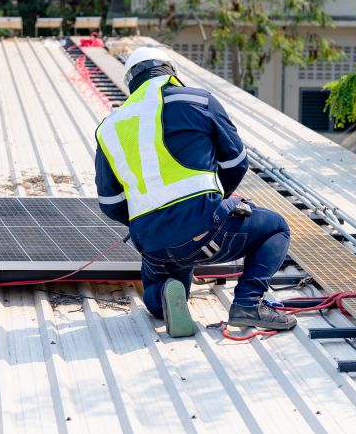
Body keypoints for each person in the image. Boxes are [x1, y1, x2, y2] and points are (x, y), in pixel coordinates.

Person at [94, 46, 296, 337]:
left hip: (154, 242)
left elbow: (110, 202)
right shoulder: (198, 100)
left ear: (131, 83)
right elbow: (236, 163)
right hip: (207, 230)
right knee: (276, 228)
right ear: (170, 72)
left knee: (158, 286)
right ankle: (248, 303)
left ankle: (164, 292)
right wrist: (216, 201)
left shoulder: (109, 127)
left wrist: (153, 222)